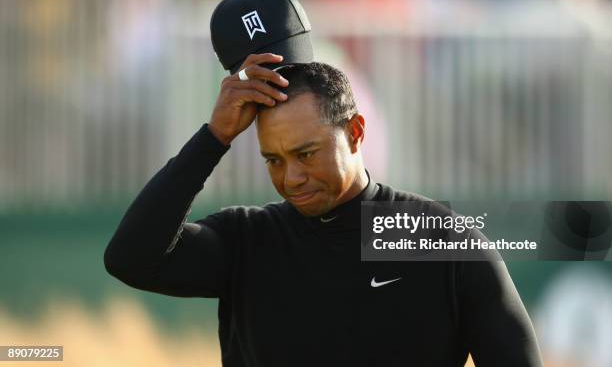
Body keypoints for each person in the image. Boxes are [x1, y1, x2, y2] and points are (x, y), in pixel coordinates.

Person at [104, 51, 543, 366]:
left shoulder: (442, 241)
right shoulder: (247, 242)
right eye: (274, 160)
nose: (291, 177)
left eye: (307, 153)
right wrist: (213, 138)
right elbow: (129, 259)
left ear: (355, 132)